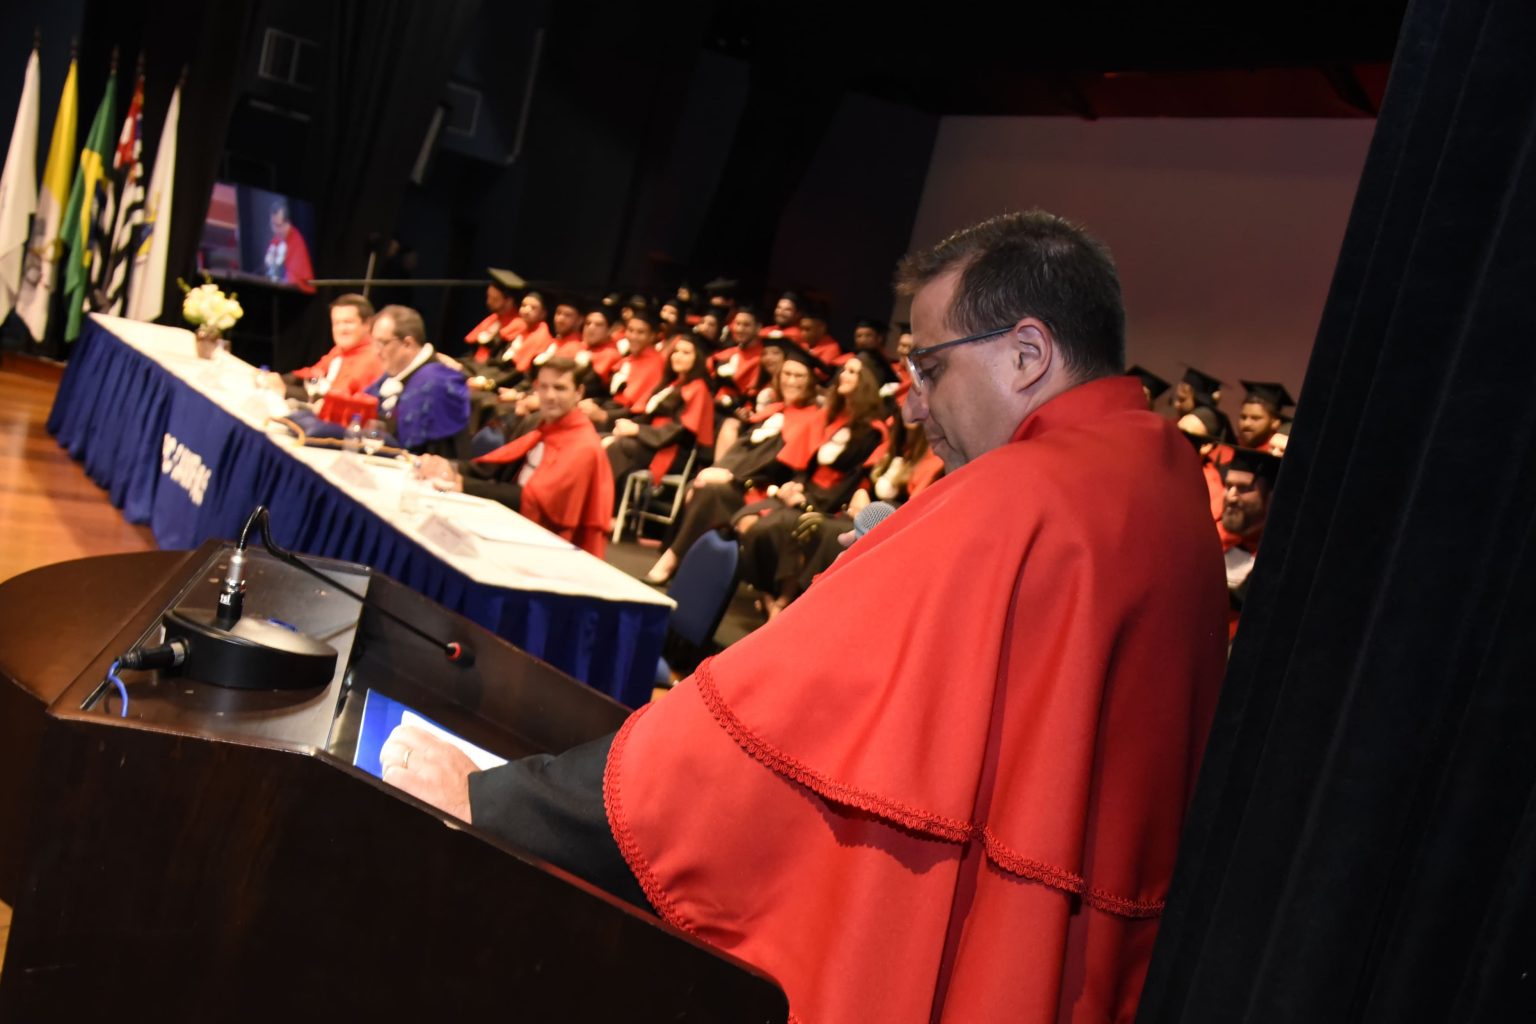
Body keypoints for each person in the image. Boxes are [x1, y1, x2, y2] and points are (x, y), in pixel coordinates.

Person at [380, 210, 1228, 1023]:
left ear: (1027, 353)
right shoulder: (1158, 472)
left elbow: (751, 735)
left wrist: (502, 806)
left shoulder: (1019, 497)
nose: (912, 406)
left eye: (930, 369)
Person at [642, 345, 825, 585]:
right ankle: (686, 565)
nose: (791, 381)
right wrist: (718, 470)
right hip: (741, 480)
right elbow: (744, 450)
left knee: (712, 492)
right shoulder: (775, 411)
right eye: (787, 374)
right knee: (700, 485)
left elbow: (778, 465)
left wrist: (732, 477)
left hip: (762, 490)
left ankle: (672, 560)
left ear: (811, 382)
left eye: (799, 376)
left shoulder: (811, 419)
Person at [416, 358, 613, 557]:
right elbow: (493, 466)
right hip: (512, 521)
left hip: (545, 544)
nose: (550, 396)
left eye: (559, 388)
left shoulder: (584, 446)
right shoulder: (538, 423)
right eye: (543, 387)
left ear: (578, 392)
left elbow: (535, 500)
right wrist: (448, 466)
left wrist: (462, 483)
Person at [604, 334, 716, 495]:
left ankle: (606, 502)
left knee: (619, 446)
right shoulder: (671, 384)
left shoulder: (698, 388)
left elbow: (680, 430)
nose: (678, 356)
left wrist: (637, 430)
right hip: (651, 441)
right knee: (604, 438)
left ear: (698, 359)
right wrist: (625, 426)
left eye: (686, 353)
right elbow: (648, 416)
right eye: (676, 351)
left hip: (671, 450)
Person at [365, 305, 470, 457]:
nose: (376, 351)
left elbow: (410, 446)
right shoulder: (396, 372)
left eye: (382, 343)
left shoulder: (435, 382)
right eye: (374, 343)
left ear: (407, 343)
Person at [259, 294, 381, 400]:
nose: (341, 329)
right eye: (336, 323)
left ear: (367, 324)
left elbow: (337, 400)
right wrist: (279, 379)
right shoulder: (341, 350)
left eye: (348, 322)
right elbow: (314, 373)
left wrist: (285, 390)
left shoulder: (370, 359)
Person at [1216, 445, 1281, 628]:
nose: (1231, 497)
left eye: (1243, 488)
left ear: (1271, 497)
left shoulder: (1279, 561)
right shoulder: (1209, 540)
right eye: (1228, 486)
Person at [263, 198, 314, 293]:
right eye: (272, 225)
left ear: (288, 224)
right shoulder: (275, 240)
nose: (275, 230)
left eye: (278, 225)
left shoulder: (296, 241)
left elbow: (295, 280)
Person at [1236, 379, 1295, 455]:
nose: (1246, 424)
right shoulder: (1231, 449)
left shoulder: (1278, 453)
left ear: (1275, 423)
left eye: (1255, 418)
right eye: (1243, 417)